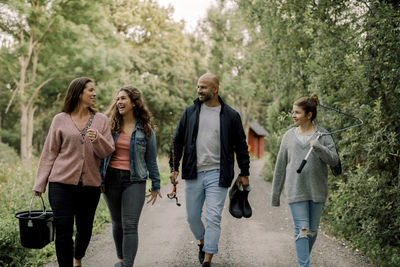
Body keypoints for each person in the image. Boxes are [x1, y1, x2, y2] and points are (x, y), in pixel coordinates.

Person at [169, 73, 250, 267]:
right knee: (192, 217)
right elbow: (177, 141)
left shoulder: (230, 115)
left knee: (213, 216)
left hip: (218, 173)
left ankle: (207, 260)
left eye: (204, 87)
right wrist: (174, 167)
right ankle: (203, 242)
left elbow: (241, 145)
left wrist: (244, 172)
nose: (199, 91)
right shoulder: (190, 112)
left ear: (215, 88)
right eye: (198, 87)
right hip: (193, 172)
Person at [33, 77, 115, 267]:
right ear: (79, 93)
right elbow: (49, 152)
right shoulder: (60, 119)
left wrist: (97, 139)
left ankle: (78, 257)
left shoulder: (101, 119)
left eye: (94, 90)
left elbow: (107, 151)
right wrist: (40, 183)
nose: (94, 94)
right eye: (90, 90)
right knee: (63, 231)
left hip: (90, 186)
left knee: (85, 230)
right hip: (61, 184)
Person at [271, 94, 339, 267]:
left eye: (297, 113)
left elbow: (334, 160)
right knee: (302, 230)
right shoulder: (288, 136)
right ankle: (304, 265)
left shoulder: (323, 135)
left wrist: (318, 147)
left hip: (317, 191)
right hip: (295, 190)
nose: (293, 116)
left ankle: (303, 260)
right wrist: (275, 194)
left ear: (309, 115)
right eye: (293, 112)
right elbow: (280, 166)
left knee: (312, 232)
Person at [100, 85, 162, 267]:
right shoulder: (109, 126)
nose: (119, 102)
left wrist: (156, 184)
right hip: (110, 179)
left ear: (134, 103)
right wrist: (98, 179)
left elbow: (151, 160)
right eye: (118, 98)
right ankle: (120, 260)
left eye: (123, 98)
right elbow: (100, 154)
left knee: (130, 224)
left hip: (134, 180)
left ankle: (127, 265)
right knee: (117, 224)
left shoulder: (146, 129)